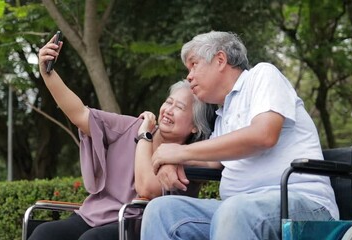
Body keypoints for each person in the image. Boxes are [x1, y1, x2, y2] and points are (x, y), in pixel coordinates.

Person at [140, 31, 339, 240]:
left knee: (234, 210)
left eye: (194, 65)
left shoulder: (262, 75)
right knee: (161, 211)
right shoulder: (222, 114)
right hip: (238, 210)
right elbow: (213, 162)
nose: (189, 77)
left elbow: (264, 135)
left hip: (301, 203)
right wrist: (170, 160)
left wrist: (180, 152)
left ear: (220, 60)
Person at [28, 34, 217, 240]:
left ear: (194, 127)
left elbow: (148, 190)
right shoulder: (130, 126)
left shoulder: (189, 157)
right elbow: (80, 114)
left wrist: (144, 135)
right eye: (168, 102)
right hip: (94, 215)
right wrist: (48, 73)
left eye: (179, 107)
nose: (168, 110)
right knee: (44, 233)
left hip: (139, 224)